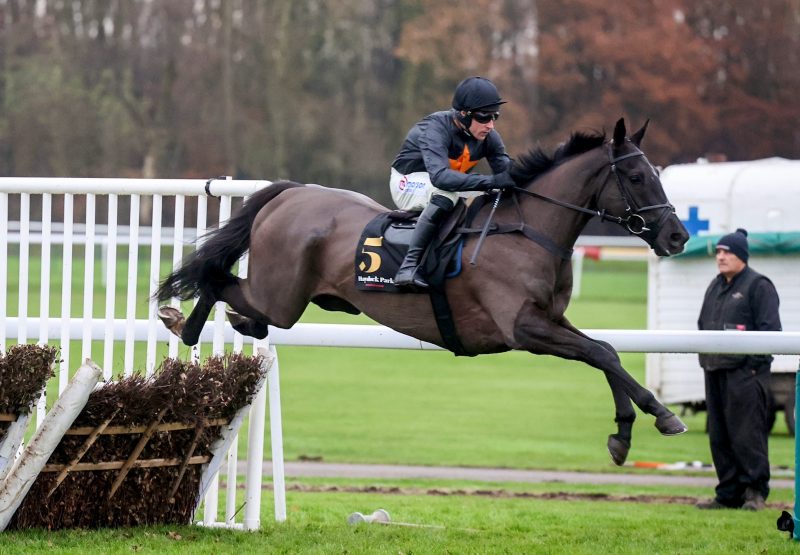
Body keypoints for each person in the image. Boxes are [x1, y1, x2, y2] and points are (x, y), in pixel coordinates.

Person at [389, 76, 516, 289]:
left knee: (490, 195)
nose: (491, 125)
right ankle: (408, 267)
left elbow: (509, 172)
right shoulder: (434, 129)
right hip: (407, 182)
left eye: (495, 116)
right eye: (484, 117)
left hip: (448, 186)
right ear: (464, 115)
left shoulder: (488, 136)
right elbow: (440, 177)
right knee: (447, 193)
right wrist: (491, 181)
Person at [695, 228, 781, 511]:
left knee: (747, 435)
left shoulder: (759, 286)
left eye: (727, 252)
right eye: (718, 252)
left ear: (741, 256)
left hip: (746, 375)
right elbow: (702, 324)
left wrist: (754, 369)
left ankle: (755, 492)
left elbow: (771, 332)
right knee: (719, 436)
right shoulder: (714, 285)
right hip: (715, 370)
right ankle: (727, 494)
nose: (720, 257)